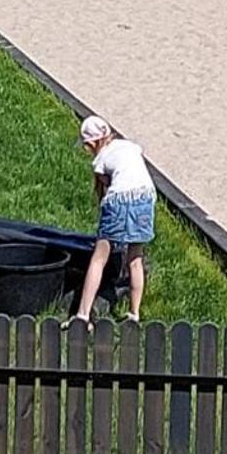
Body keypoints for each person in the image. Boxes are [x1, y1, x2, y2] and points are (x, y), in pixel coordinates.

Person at [73, 116, 154, 324]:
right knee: (135, 258)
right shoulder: (129, 146)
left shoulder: (100, 160)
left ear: (92, 143)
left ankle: (82, 314)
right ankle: (134, 314)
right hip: (145, 197)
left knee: (99, 257)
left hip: (119, 199)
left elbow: (106, 189)